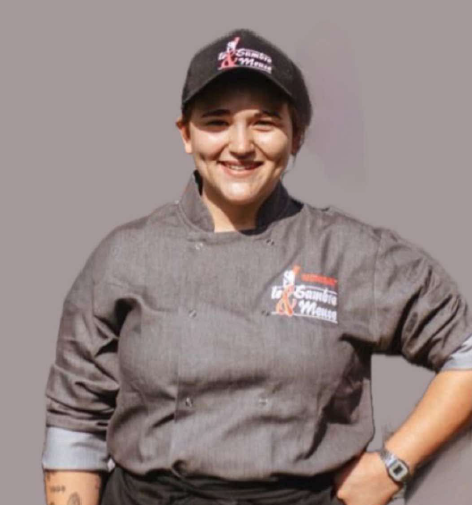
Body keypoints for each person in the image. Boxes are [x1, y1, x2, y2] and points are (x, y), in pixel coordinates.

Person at [42, 29, 472, 505]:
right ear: (185, 133)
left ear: (297, 136)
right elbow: (75, 419)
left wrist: (392, 466)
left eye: (264, 123)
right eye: (217, 122)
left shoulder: (351, 253)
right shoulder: (124, 255)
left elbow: (466, 350)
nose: (241, 145)